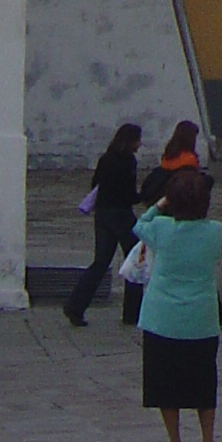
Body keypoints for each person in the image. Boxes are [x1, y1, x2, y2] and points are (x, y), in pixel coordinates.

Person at [133, 165, 222, 442]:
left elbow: (140, 224)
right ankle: (208, 441)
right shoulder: (215, 231)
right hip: (200, 317)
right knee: (203, 382)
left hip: (162, 316)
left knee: (165, 385)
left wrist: (160, 204)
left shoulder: (161, 229)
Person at [63, 121, 140, 326]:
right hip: (122, 215)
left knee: (100, 263)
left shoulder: (106, 159)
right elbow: (128, 194)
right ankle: (132, 313)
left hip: (103, 214)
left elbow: (95, 184)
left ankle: (75, 305)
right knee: (134, 261)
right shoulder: (128, 161)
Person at [126, 120, 200, 324]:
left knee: (145, 262)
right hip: (179, 214)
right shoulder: (188, 160)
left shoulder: (169, 155)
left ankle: (132, 310)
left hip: (161, 211)